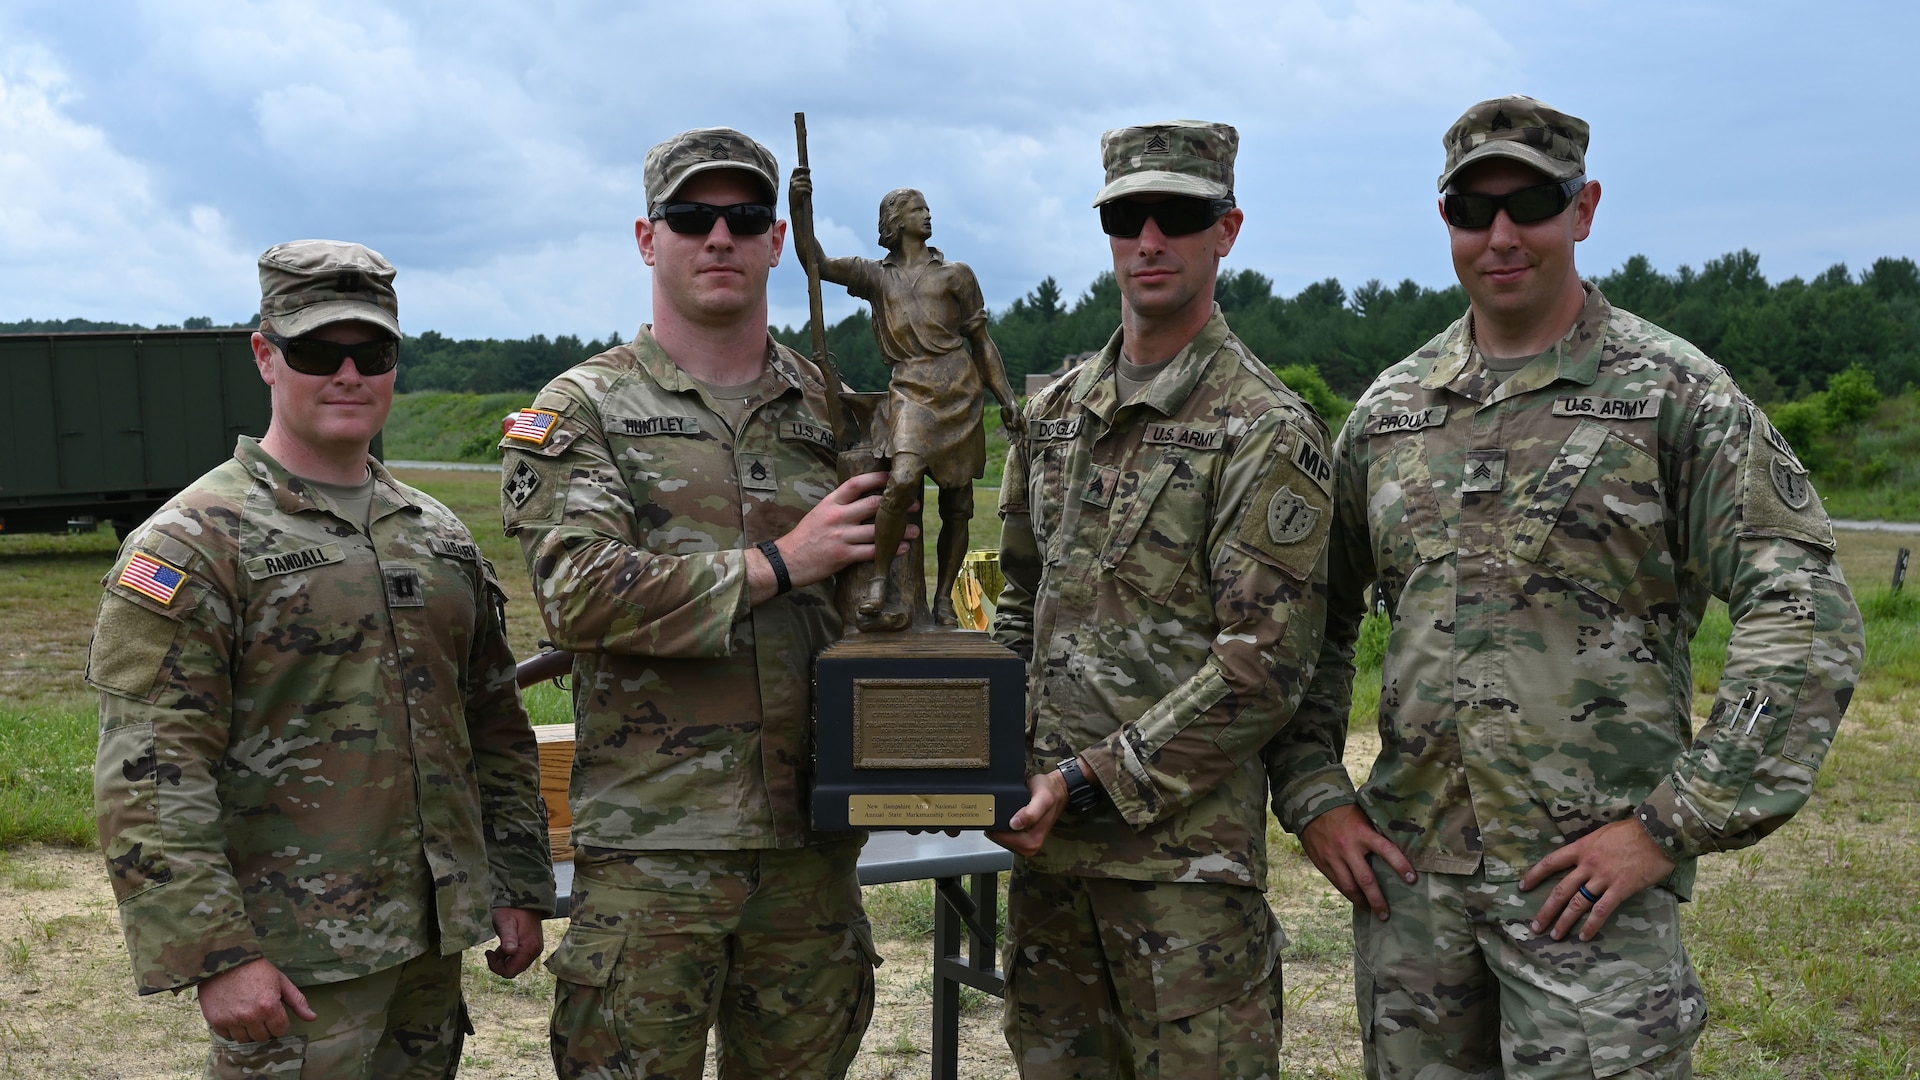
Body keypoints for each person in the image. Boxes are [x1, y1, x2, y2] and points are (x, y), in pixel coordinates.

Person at [1280, 95, 1865, 1078]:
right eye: (1474, 209)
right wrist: (1312, 794)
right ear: (1448, 224)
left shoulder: (1673, 397)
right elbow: (1308, 622)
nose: (1502, 235)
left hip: (1590, 901)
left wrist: (1669, 823)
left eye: (1532, 202)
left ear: (1583, 209)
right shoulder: (1389, 415)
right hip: (1414, 900)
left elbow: (1802, 613)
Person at [89, 239, 556, 1078]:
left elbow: (493, 726)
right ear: (266, 355)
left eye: (370, 352)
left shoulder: (438, 536)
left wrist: (519, 880)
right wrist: (215, 953)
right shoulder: (193, 544)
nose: (346, 374)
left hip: (427, 944)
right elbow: (151, 773)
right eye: (315, 351)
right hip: (291, 962)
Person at [502, 127, 897, 1079]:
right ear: (649, 238)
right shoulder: (582, 410)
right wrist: (781, 562)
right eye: (691, 217)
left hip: (811, 850)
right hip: (653, 858)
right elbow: (580, 592)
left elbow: (881, 603)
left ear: (774, 242)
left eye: (745, 217)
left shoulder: (834, 412)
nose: (717, 236)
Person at [988, 120, 1336, 1079]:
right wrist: (993, 753)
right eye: (1125, 215)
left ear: (1225, 229)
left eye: (1177, 216)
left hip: (1182, 876)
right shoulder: (1056, 414)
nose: (1149, 239)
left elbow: (1262, 667)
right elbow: (1018, 597)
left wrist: (1084, 779)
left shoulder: (1263, 426)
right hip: (1051, 865)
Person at [787, 175, 1023, 628]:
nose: (928, 214)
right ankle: (879, 579)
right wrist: (800, 211)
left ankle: (943, 601)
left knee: (957, 505)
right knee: (902, 480)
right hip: (911, 390)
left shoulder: (957, 275)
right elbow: (815, 264)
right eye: (917, 209)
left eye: (927, 208)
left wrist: (1007, 398)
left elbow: (982, 342)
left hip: (960, 389)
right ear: (895, 222)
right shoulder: (875, 275)